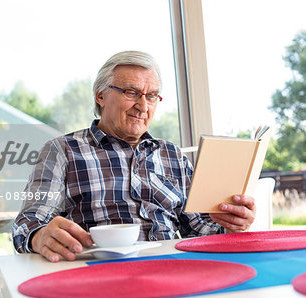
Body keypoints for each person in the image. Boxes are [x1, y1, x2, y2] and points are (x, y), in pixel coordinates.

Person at [13, 50, 256, 262]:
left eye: (151, 96)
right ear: (100, 95)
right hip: (100, 272)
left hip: (172, 268)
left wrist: (231, 226)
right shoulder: (63, 149)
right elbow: (30, 222)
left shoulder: (173, 155)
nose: (143, 106)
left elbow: (199, 231)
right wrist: (39, 236)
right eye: (131, 92)